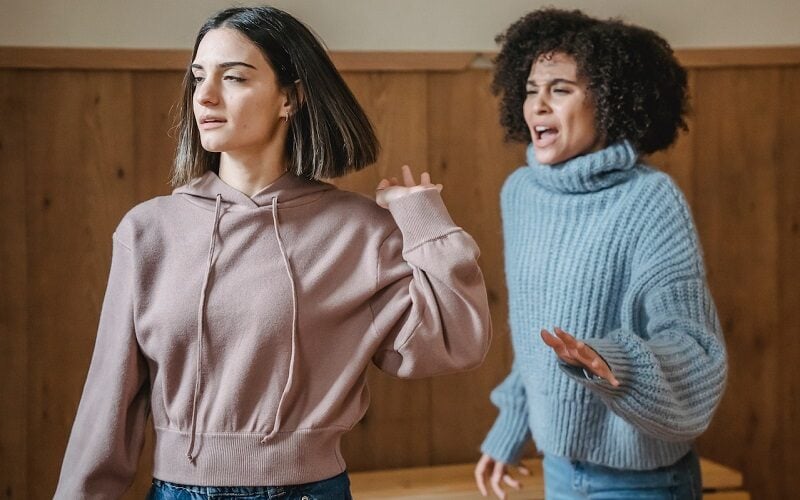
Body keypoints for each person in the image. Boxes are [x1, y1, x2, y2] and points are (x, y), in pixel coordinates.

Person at [55, 5, 491, 499]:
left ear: (290, 97)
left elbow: (458, 342)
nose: (206, 96)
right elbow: (107, 401)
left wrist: (423, 222)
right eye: (198, 78)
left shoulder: (358, 231)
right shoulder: (148, 231)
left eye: (234, 78)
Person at [473, 8, 727, 499]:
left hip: (644, 481)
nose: (538, 106)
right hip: (560, 471)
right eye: (530, 90)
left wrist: (614, 363)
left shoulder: (650, 201)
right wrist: (512, 425)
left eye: (561, 89)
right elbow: (538, 337)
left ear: (610, 103)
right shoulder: (521, 193)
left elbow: (695, 348)